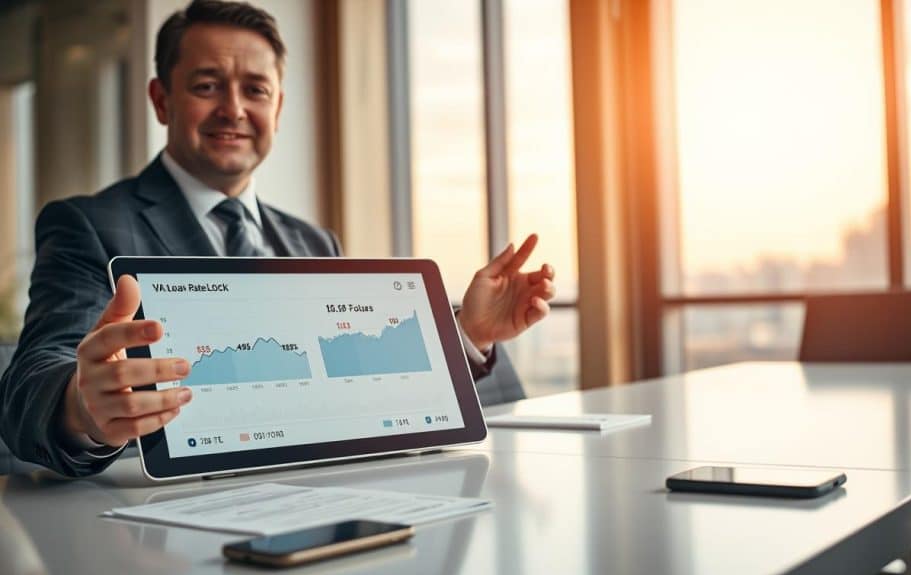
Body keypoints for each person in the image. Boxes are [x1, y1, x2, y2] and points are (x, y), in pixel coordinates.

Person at [0, 0, 555, 478]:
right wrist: (82, 408)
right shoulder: (86, 224)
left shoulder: (315, 243)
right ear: (162, 99)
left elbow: (370, 394)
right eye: (206, 86)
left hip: (322, 507)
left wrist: (467, 333)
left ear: (278, 108)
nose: (234, 109)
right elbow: (28, 387)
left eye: (255, 89)